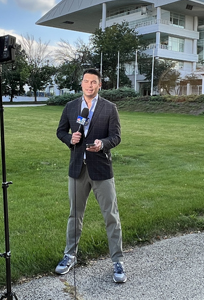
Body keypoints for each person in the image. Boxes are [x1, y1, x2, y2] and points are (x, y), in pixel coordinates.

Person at [55, 68, 126, 283]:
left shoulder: (109, 108)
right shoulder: (71, 107)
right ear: (82, 83)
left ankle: (117, 260)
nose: (89, 85)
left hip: (101, 169)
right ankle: (70, 255)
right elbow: (60, 132)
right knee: (74, 215)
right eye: (86, 81)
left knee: (110, 215)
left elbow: (116, 136)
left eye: (93, 82)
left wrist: (102, 144)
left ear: (99, 85)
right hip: (77, 169)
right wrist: (71, 139)